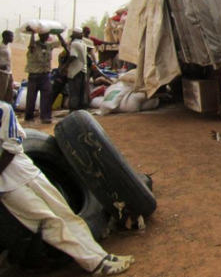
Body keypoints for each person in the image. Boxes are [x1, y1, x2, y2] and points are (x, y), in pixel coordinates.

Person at [0, 102, 134, 275]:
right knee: (49, 223)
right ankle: (96, 263)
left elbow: (12, 145)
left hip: (26, 172)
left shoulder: (3, 109)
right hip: (8, 186)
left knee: (66, 215)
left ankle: (102, 256)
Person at [25, 32, 67, 124]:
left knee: (47, 96)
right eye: (46, 35)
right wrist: (32, 33)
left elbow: (63, 43)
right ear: (41, 35)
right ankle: (29, 117)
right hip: (34, 75)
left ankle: (45, 117)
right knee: (31, 97)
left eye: (48, 35)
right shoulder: (34, 45)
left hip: (45, 76)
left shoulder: (49, 46)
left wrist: (58, 33)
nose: (47, 36)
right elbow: (31, 46)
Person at [62, 28, 89, 111]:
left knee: (74, 93)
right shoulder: (83, 44)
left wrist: (65, 66)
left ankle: (74, 111)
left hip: (75, 72)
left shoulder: (74, 44)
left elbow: (73, 56)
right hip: (83, 71)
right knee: (81, 93)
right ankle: (81, 111)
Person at [0, 31, 14, 104]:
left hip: (9, 73)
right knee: (1, 94)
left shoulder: (7, 46)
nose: (13, 38)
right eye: (11, 36)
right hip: (2, 73)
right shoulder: (1, 46)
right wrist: (1, 66)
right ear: (5, 37)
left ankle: (8, 112)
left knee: (10, 94)